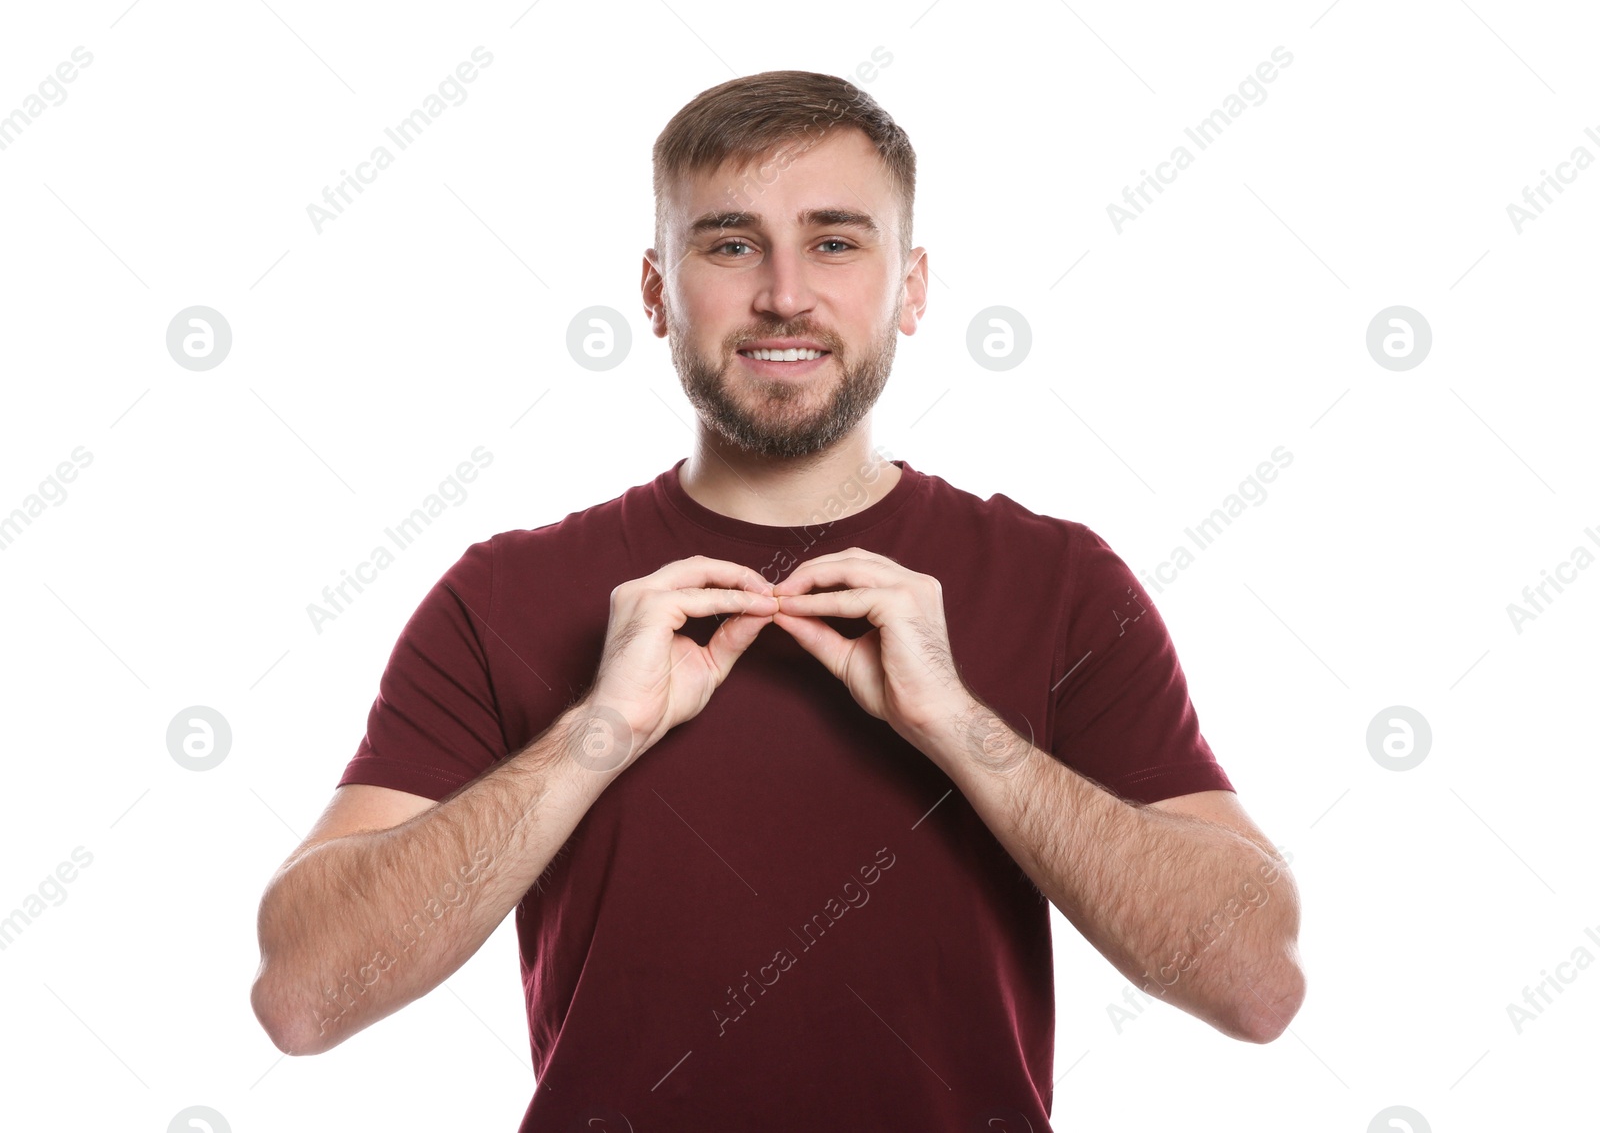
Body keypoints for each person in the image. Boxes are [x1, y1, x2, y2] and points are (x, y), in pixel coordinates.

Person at [250, 70, 1305, 1132]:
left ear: (912, 287)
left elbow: (1254, 984)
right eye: (729, 244)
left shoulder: (1060, 583)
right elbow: (302, 998)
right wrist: (596, 733)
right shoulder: (504, 596)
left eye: (836, 242)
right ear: (658, 291)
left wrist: (961, 730)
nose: (785, 294)